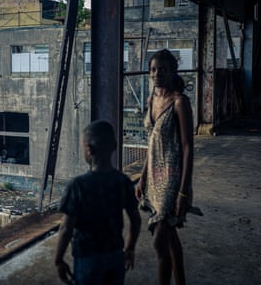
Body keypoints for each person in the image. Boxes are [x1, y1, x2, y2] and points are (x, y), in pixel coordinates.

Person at [55, 120, 141, 285]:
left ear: (89, 149)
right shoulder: (123, 181)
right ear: (115, 146)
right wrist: (130, 248)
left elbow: (66, 228)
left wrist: (58, 259)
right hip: (115, 254)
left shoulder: (77, 185)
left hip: (87, 256)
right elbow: (135, 220)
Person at [136, 49, 194, 285]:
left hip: (172, 176)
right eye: (153, 69)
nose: (156, 74)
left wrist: (184, 190)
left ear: (172, 71)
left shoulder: (180, 102)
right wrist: (142, 178)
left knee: (159, 237)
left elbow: (188, 146)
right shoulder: (151, 101)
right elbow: (151, 144)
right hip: (154, 176)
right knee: (170, 237)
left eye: (162, 69)